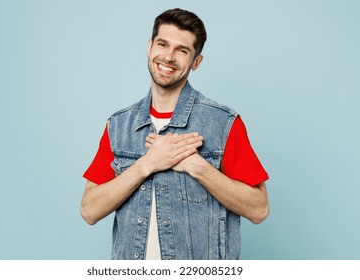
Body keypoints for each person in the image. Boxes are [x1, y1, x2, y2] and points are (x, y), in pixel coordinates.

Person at [81, 8, 269, 260]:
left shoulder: (223, 122)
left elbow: (259, 209)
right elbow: (89, 210)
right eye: (162, 44)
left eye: (182, 50)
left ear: (196, 62)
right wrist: (147, 164)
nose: (168, 57)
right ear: (149, 47)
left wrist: (198, 167)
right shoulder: (119, 125)